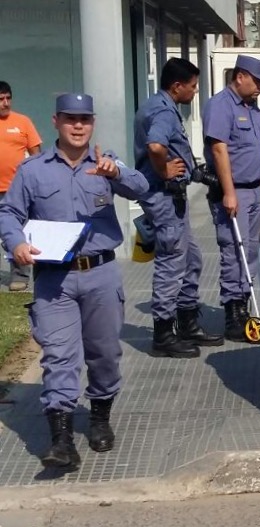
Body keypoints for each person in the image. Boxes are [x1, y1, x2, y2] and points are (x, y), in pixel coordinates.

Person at [0, 93, 150, 469]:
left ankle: (99, 417)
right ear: (55, 122)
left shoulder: (105, 163)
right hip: (54, 280)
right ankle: (61, 439)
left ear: (93, 122)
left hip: (100, 274)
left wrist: (116, 173)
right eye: (70, 119)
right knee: (60, 356)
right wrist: (16, 243)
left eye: (85, 119)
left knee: (104, 355)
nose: (78, 125)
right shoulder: (33, 170)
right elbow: (9, 212)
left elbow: (142, 188)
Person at [134, 58, 223, 358]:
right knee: (172, 261)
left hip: (172, 194)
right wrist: (164, 172)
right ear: (176, 87)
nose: (195, 92)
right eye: (193, 86)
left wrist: (194, 173)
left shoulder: (159, 106)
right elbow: (156, 147)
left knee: (192, 258)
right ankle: (163, 334)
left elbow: (170, 150)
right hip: (163, 194)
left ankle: (187, 322)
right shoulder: (163, 112)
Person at [202, 54, 260, 342]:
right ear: (240, 76)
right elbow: (219, 150)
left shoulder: (253, 110)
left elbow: (257, 150)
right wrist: (229, 192)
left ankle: (244, 304)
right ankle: (233, 313)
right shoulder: (221, 106)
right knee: (234, 249)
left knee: (251, 249)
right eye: (256, 81)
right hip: (235, 191)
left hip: (255, 189)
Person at [0, 81, 43, 291]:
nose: (5, 103)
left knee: (18, 232)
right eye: (0, 99)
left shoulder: (22, 122)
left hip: (16, 190)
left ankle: (20, 276)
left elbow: (37, 156)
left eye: (8, 98)